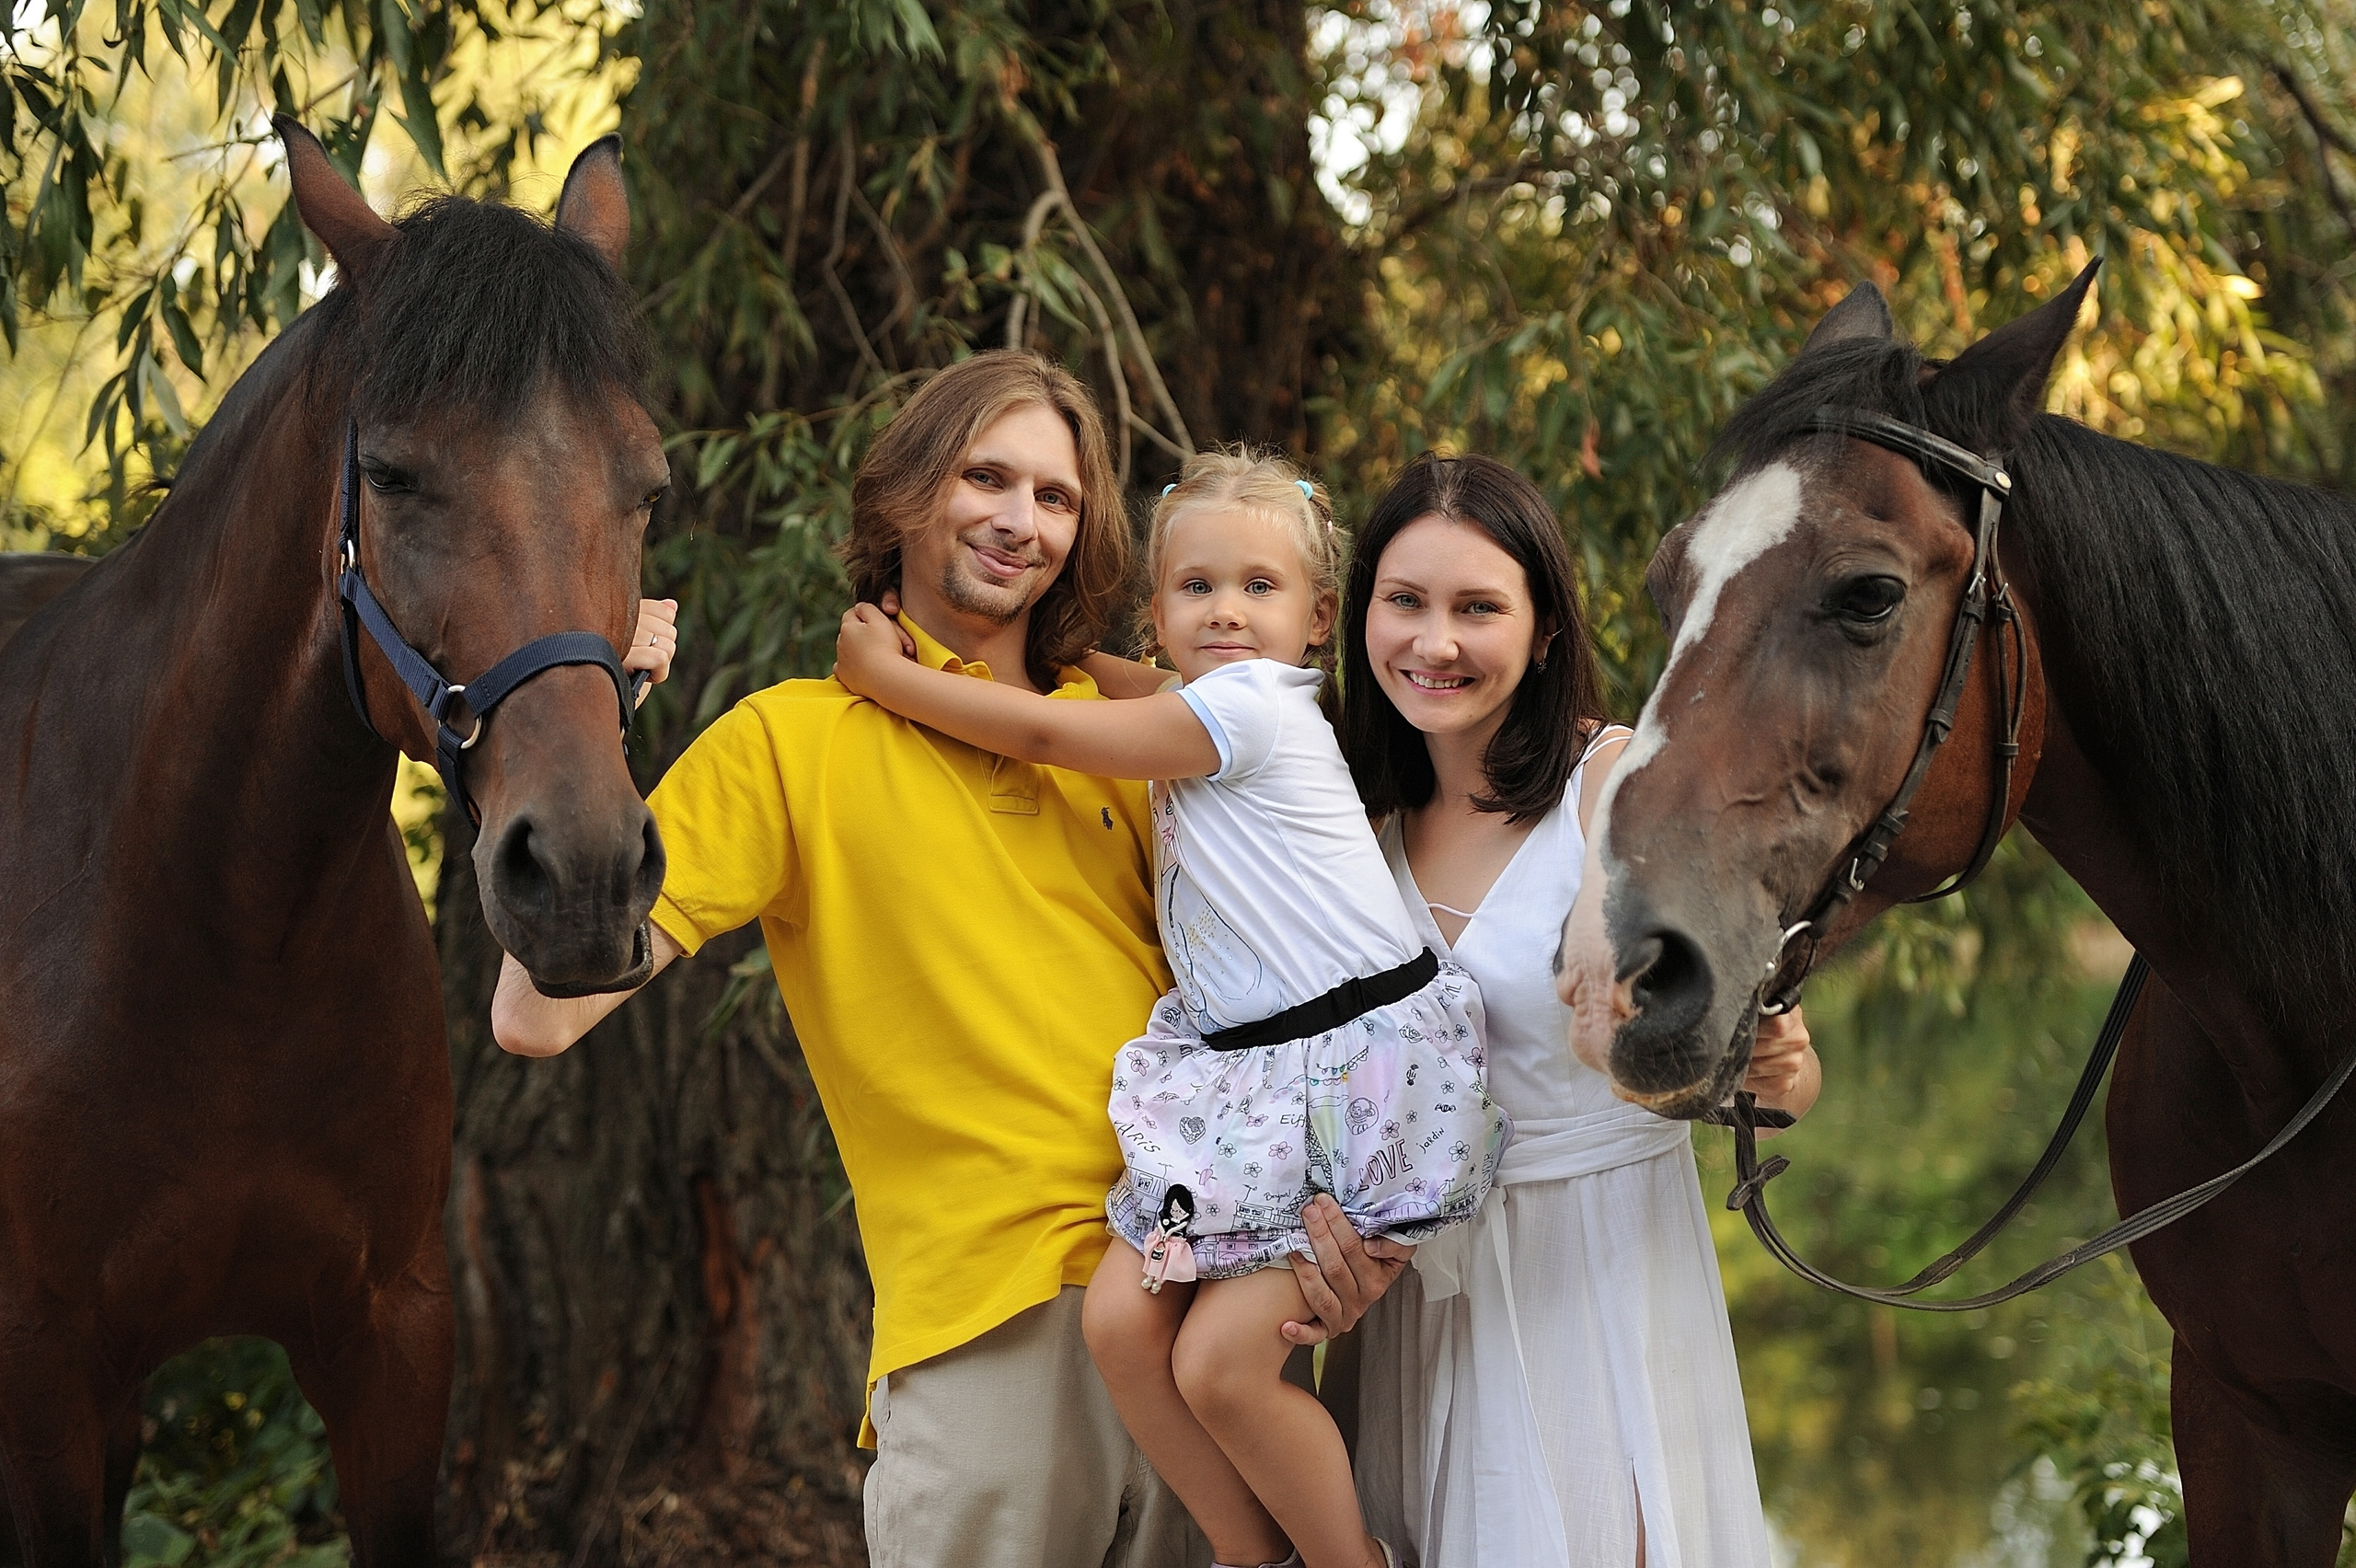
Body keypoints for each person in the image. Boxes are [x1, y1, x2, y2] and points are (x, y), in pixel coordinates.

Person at [488, 352, 1394, 1568]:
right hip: (992, 1344)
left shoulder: (1144, 742)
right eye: (987, 477)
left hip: (1210, 1318)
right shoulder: (788, 743)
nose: (1022, 519)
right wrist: (596, 716)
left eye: (1057, 498)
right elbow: (535, 1018)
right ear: (908, 493)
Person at [833, 450, 1509, 1568]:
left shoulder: (1248, 710)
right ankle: (1253, 1554)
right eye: (1195, 588)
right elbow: (1097, 688)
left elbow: (1049, 732)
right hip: (1261, 1078)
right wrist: (1056, 650)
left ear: (1315, 619)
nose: (1226, 612)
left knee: (1219, 1367)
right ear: (1157, 613)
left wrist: (889, 679)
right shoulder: (1209, 699)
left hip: (1351, 1078)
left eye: (1258, 589)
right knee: (1119, 1326)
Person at [1337, 453, 1819, 1568]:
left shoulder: (1615, 785)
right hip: (1409, 1290)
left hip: (1598, 1278)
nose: (1434, 642)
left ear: (1545, 630)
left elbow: (1775, 1068)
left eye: (1477, 608)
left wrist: (1780, 1071)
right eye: (1403, 602)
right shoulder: (1343, 820)